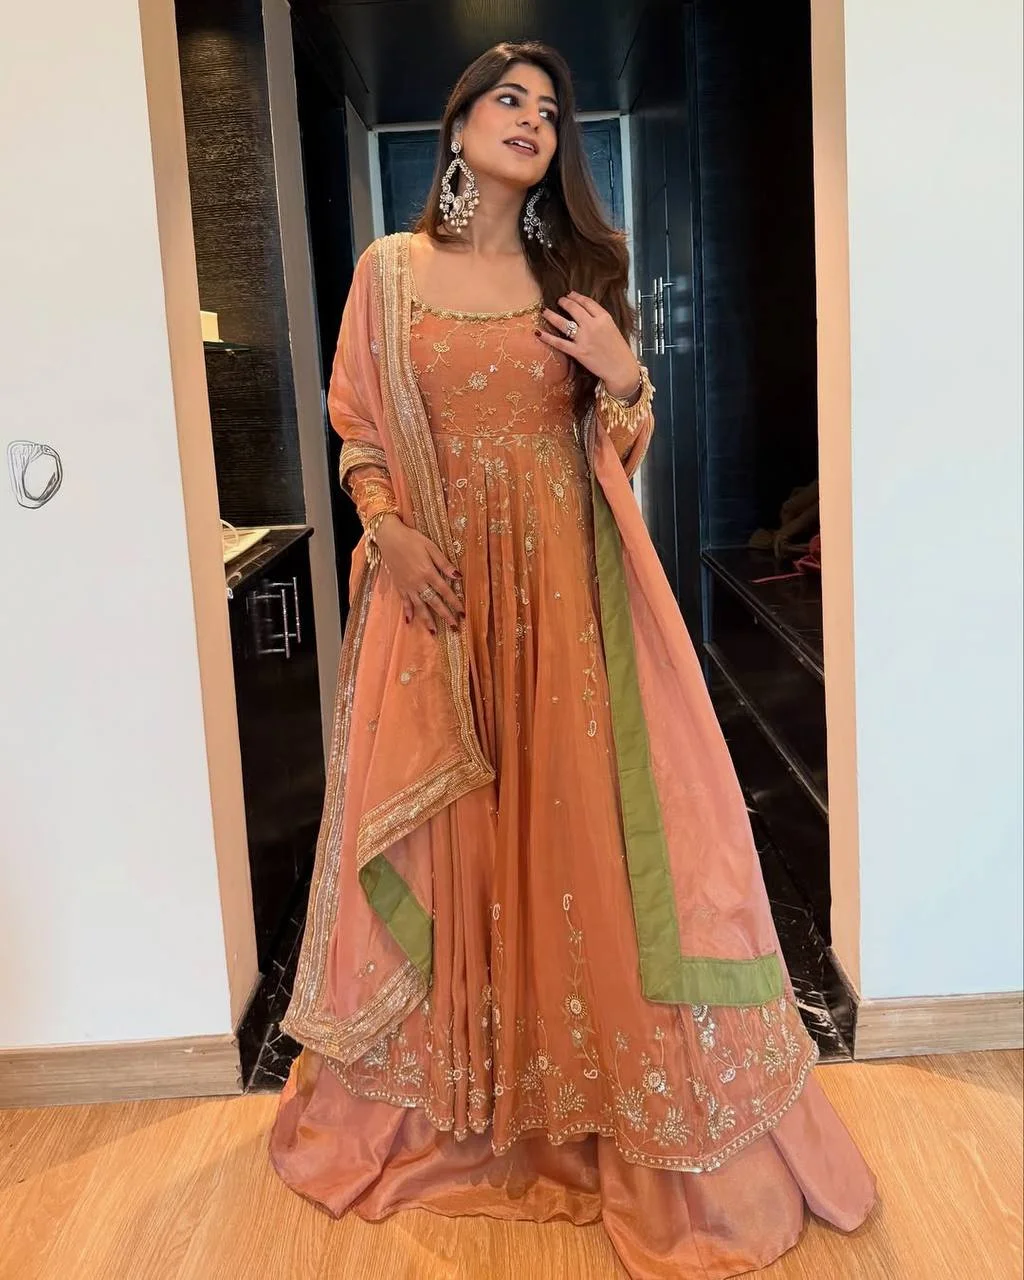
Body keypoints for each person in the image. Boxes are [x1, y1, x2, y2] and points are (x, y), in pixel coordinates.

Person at [270, 40, 875, 1278]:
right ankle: (460, 1100)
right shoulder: (389, 274)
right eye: (507, 100)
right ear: (455, 127)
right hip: (440, 605)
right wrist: (388, 530)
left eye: (548, 110)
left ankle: (591, 1098)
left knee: (580, 838)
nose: (531, 120)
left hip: (564, 604)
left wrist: (625, 372)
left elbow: (619, 439)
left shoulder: (573, 279)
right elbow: (358, 426)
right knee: (462, 838)